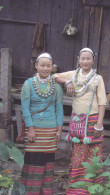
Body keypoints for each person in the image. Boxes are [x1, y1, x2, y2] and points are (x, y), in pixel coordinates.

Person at [53, 48, 106, 195]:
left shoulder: (97, 78)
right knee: (78, 155)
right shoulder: (74, 75)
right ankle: (77, 189)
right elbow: (54, 75)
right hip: (78, 121)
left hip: (93, 120)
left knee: (93, 155)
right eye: (82, 58)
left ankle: (93, 188)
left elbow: (102, 103)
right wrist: (68, 81)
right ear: (78, 59)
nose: (85, 61)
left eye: (88, 58)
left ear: (93, 60)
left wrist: (99, 124)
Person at [21, 53, 63, 195]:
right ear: (36, 66)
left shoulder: (56, 87)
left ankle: (46, 191)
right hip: (34, 130)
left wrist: (59, 129)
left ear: (52, 68)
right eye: (42, 65)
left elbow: (59, 109)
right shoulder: (28, 84)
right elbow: (25, 108)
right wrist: (30, 129)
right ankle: (31, 191)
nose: (45, 68)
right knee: (33, 160)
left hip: (50, 131)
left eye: (48, 66)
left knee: (48, 161)